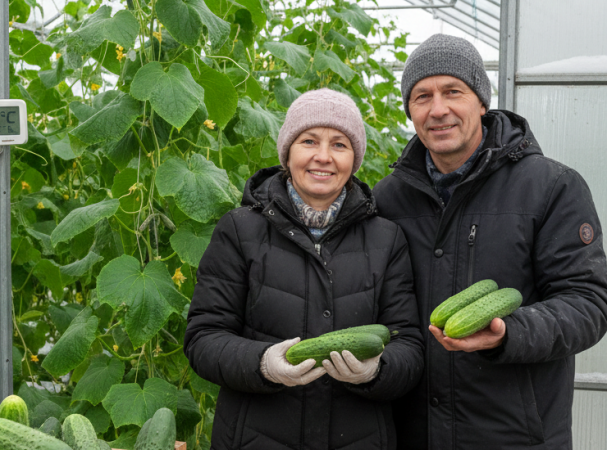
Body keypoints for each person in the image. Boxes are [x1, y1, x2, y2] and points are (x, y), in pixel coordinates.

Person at [373, 34, 607, 449]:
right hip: (414, 433)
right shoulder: (387, 198)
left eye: (453, 92)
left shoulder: (552, 187)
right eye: (422, 95)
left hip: (516, 436)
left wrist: (508, 332)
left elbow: (589, 303)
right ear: (410, 109)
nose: (438, 109)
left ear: (481, 101)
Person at [184, 88, 424, 449]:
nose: (323, 157)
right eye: (309, 141)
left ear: (354, 157)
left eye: (340, 145)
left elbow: (408, 345)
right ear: (288, 152)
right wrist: (263, 363)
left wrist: (376, 370)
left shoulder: (386, 238)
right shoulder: (239, 230)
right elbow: (203, 338)